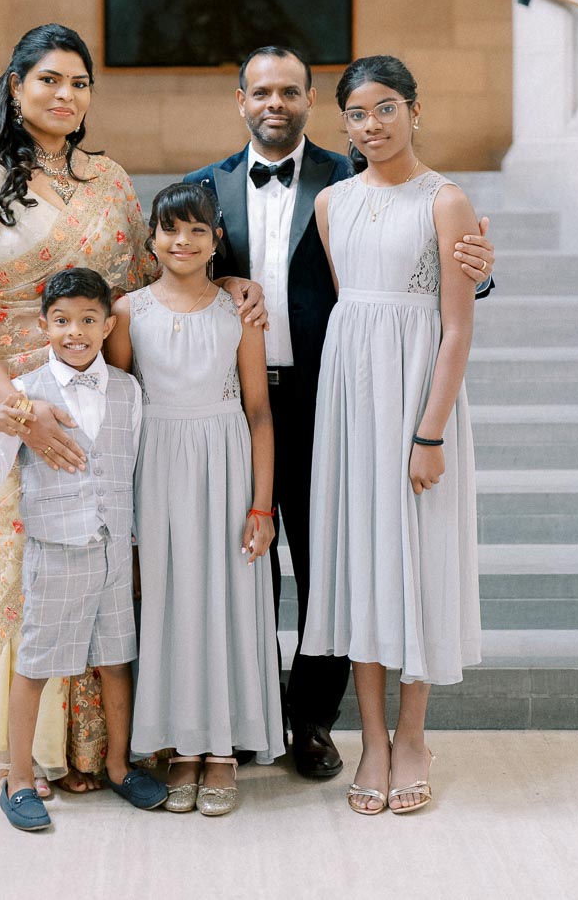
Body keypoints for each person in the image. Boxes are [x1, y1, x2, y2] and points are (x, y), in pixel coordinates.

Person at [0, 22, 266, 789]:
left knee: (110, 558)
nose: (65, 94)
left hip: (104, 392)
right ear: (16, 87)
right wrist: (20, 408)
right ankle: (35, 753)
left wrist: (235, 285)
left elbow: (144, 288)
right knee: (31, 566)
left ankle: (102, 753)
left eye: (79, 82)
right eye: (49, 79)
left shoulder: (110, 180)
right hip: (11, 393)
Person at [184, 45, 495, 780]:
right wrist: (223, 279)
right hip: (243, 408)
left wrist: (480, 272)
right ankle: (243, 716)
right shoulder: (204, 187)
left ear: (307, 101)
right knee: (245, 566)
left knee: (334, 562)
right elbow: (174, 268)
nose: (275, 103)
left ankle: (314, 724)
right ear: (240, 100)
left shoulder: (341, 177)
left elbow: (420, 267)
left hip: (339, 396)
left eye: (290, 91)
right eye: (261, 91)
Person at [302, 55, 482, 815]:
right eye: (356, 113)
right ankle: (371, 740)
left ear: (414, 110)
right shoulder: (331, 203)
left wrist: (429, 433)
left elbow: (454, 328)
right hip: (352, 404)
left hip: (416, 402)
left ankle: (413, 735)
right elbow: (353, 310)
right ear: (341, 121)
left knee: (415, 563)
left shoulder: (446, 200)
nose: (370, 125)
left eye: (385, 109)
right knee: (363, 566)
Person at [0, 267, 168, 831]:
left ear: (107, 325)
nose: (75, 332)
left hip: (112, 548)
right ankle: (19, 777)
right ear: (44, 326)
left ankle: (119, 765)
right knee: (36, 663)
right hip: (55, 549)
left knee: (115, 659)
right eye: (62, 321)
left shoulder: (129, 390)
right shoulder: (26, 391)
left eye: (87, 320)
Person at [106, 183, 284, 817]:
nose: (182, 242)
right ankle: (181, 744)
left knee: (225, 598)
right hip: (156, 462)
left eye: (197, 232)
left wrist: (262, 507)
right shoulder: (128, 312)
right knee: (171, 600)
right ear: (152, 237)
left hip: (226, 460)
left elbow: (260, 412)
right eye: (169, 230)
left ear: (215, 242)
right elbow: (121, 408)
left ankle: (222, 750)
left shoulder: (237, 312)